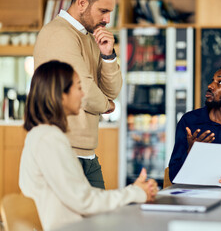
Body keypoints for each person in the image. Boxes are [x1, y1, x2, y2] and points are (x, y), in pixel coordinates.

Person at [19, 60, 158, 231]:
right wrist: (135, 193)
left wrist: (135, 191)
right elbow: (83, 200)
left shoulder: (43, 135)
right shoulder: (49, 139)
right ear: (61, 95)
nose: (83, 94)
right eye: (78, 87)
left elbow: (80, 197)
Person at [33, 0, 122, 189]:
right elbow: (85, 90)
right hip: (64, 150)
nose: (107, 19)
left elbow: (112, 90)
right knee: (80, 218)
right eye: (103, 11)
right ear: (82, 2)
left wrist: (108, 56)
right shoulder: (59, 34)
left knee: (98, 218)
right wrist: (106, 105)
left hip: (86, 153)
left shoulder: (90, 38)